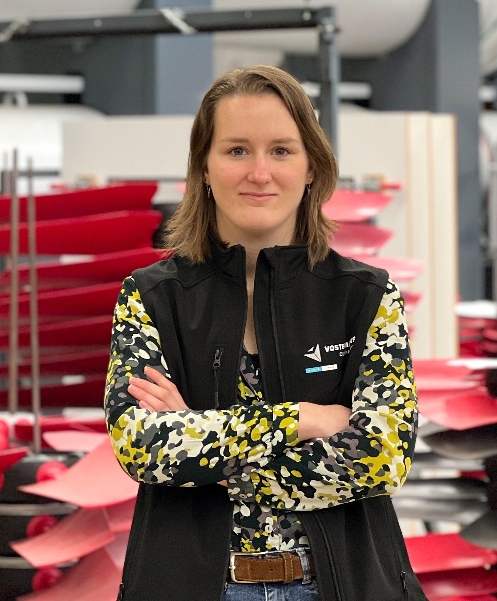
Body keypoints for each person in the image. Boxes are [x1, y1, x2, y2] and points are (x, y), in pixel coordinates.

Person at [105, 65, 426, 601]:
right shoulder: (151, 297)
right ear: (204, 168)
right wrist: (301, 419)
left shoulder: (364, 296)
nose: (259, 172)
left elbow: (381, 457)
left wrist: (201, 439)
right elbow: (146, 449)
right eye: (236, 151)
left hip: (339, 586)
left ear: (310, 168)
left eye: (281, 150)